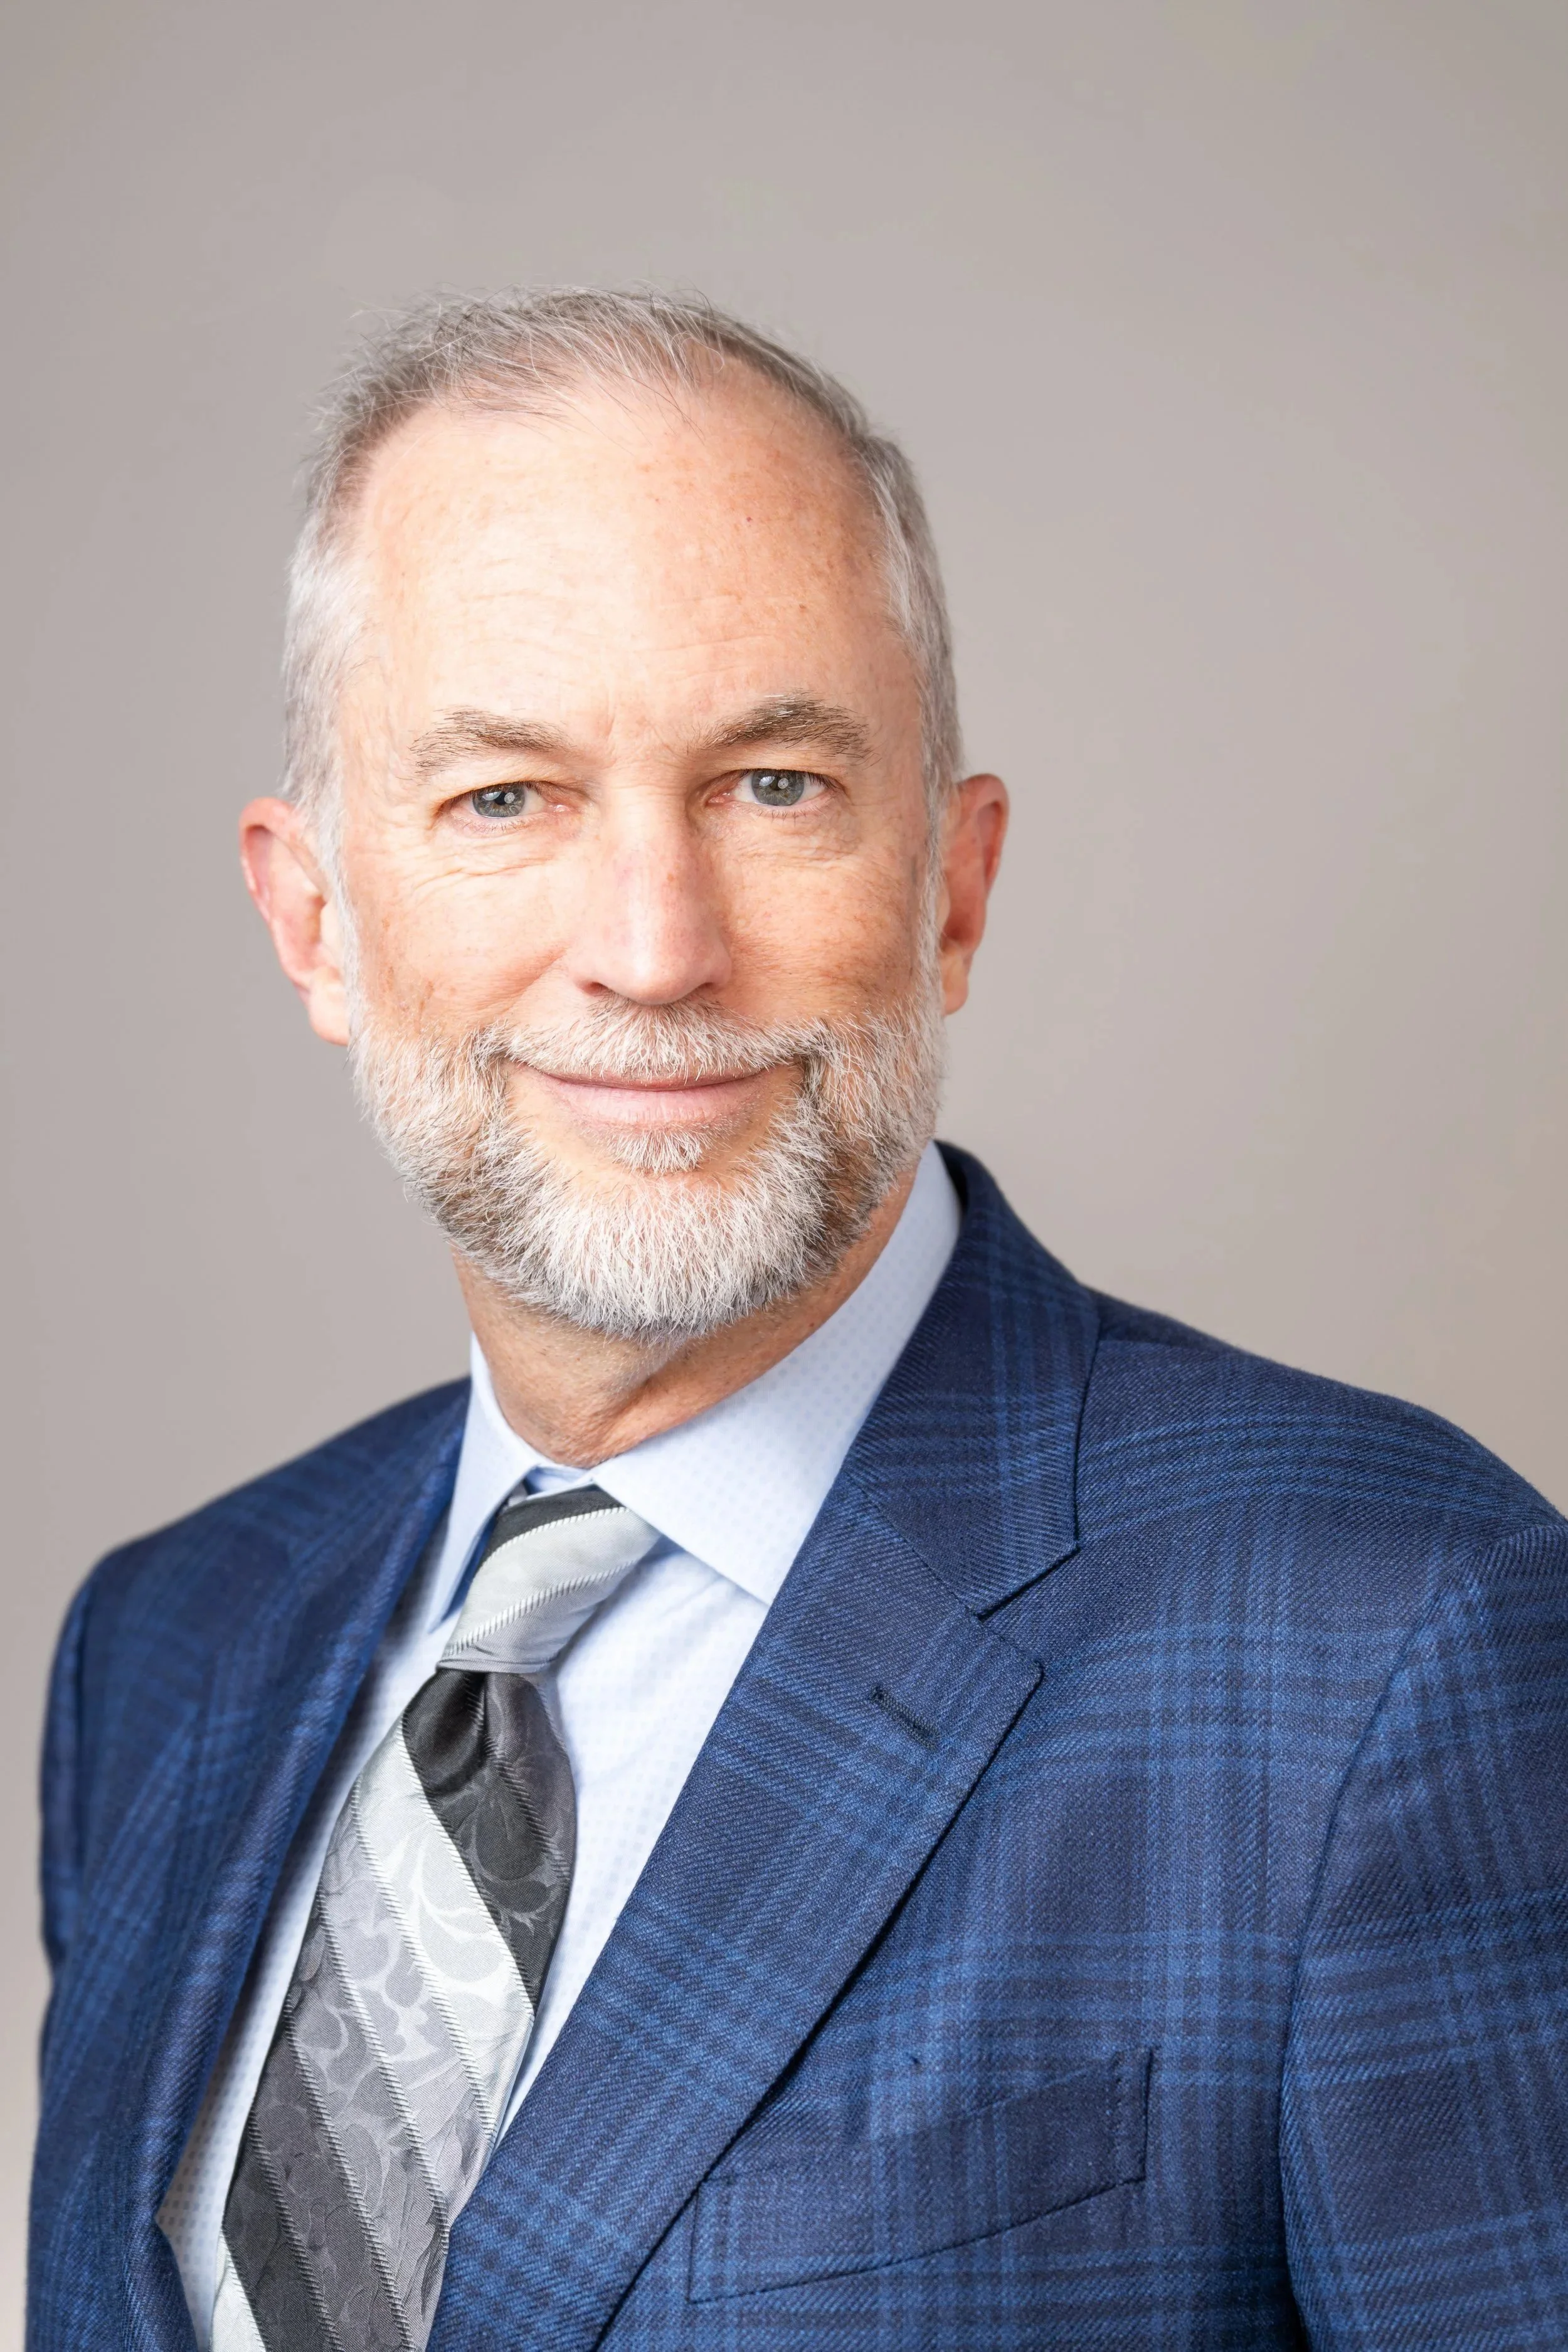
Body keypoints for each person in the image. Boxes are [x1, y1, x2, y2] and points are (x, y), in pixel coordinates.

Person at [28, 289, 1568, 2352]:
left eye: (769, 782)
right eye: (506, 796)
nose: (654, 949)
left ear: (951, 884)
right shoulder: (172, 1643)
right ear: (314, 917)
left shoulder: (1385, 1638)